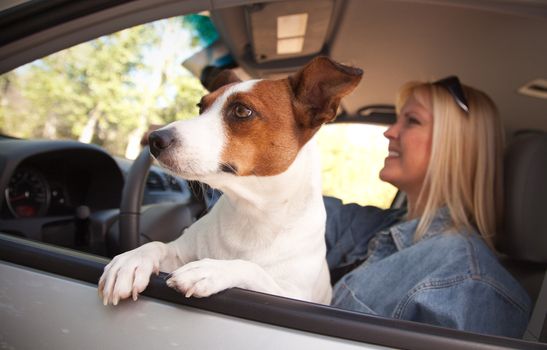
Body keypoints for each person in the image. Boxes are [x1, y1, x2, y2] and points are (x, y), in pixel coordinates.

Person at [324, 76, 531, 338]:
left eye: (412, 120)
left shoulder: (468, 284)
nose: (390, 132)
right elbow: (301, 213)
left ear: (456, 145)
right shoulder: (383, 226)